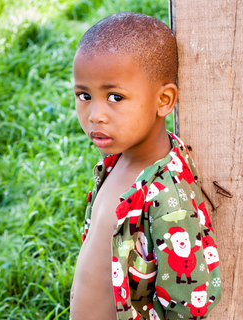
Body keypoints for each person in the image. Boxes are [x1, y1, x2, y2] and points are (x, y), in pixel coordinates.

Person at [70, 12, 221, 320]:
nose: (95, 114)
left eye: (115, 97)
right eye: (84, 95)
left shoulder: (166, 196)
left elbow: (189, 303)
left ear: (163, 100)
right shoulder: (116, 162)